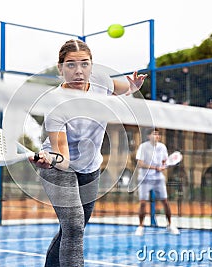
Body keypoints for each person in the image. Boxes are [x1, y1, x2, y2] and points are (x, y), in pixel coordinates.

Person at [30, 39, 146, 267]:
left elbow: (122, 89)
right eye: (71, 65)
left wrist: (133, 87)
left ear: (92, 66)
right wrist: (50, 160)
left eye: (84, 64)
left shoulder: (101, 82)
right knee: (73, 226)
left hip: (91, 166)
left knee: (74, 229)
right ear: (60, 68)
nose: (78, 72)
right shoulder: (55, 104)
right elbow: (64, 159)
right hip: (58, 166)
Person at [134, 128, 180, 236]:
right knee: (143, 202)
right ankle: (140, 226)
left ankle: (170, 224)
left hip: (159, 179)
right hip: (145, 179)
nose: (157, 136)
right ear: (149, 136)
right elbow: (140, 163)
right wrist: (155, 167)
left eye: (158, 134)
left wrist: (163, 166)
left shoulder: (162, 147)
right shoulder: (143, 147)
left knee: (165, 201)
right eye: (154, 134)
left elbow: (164, 161)